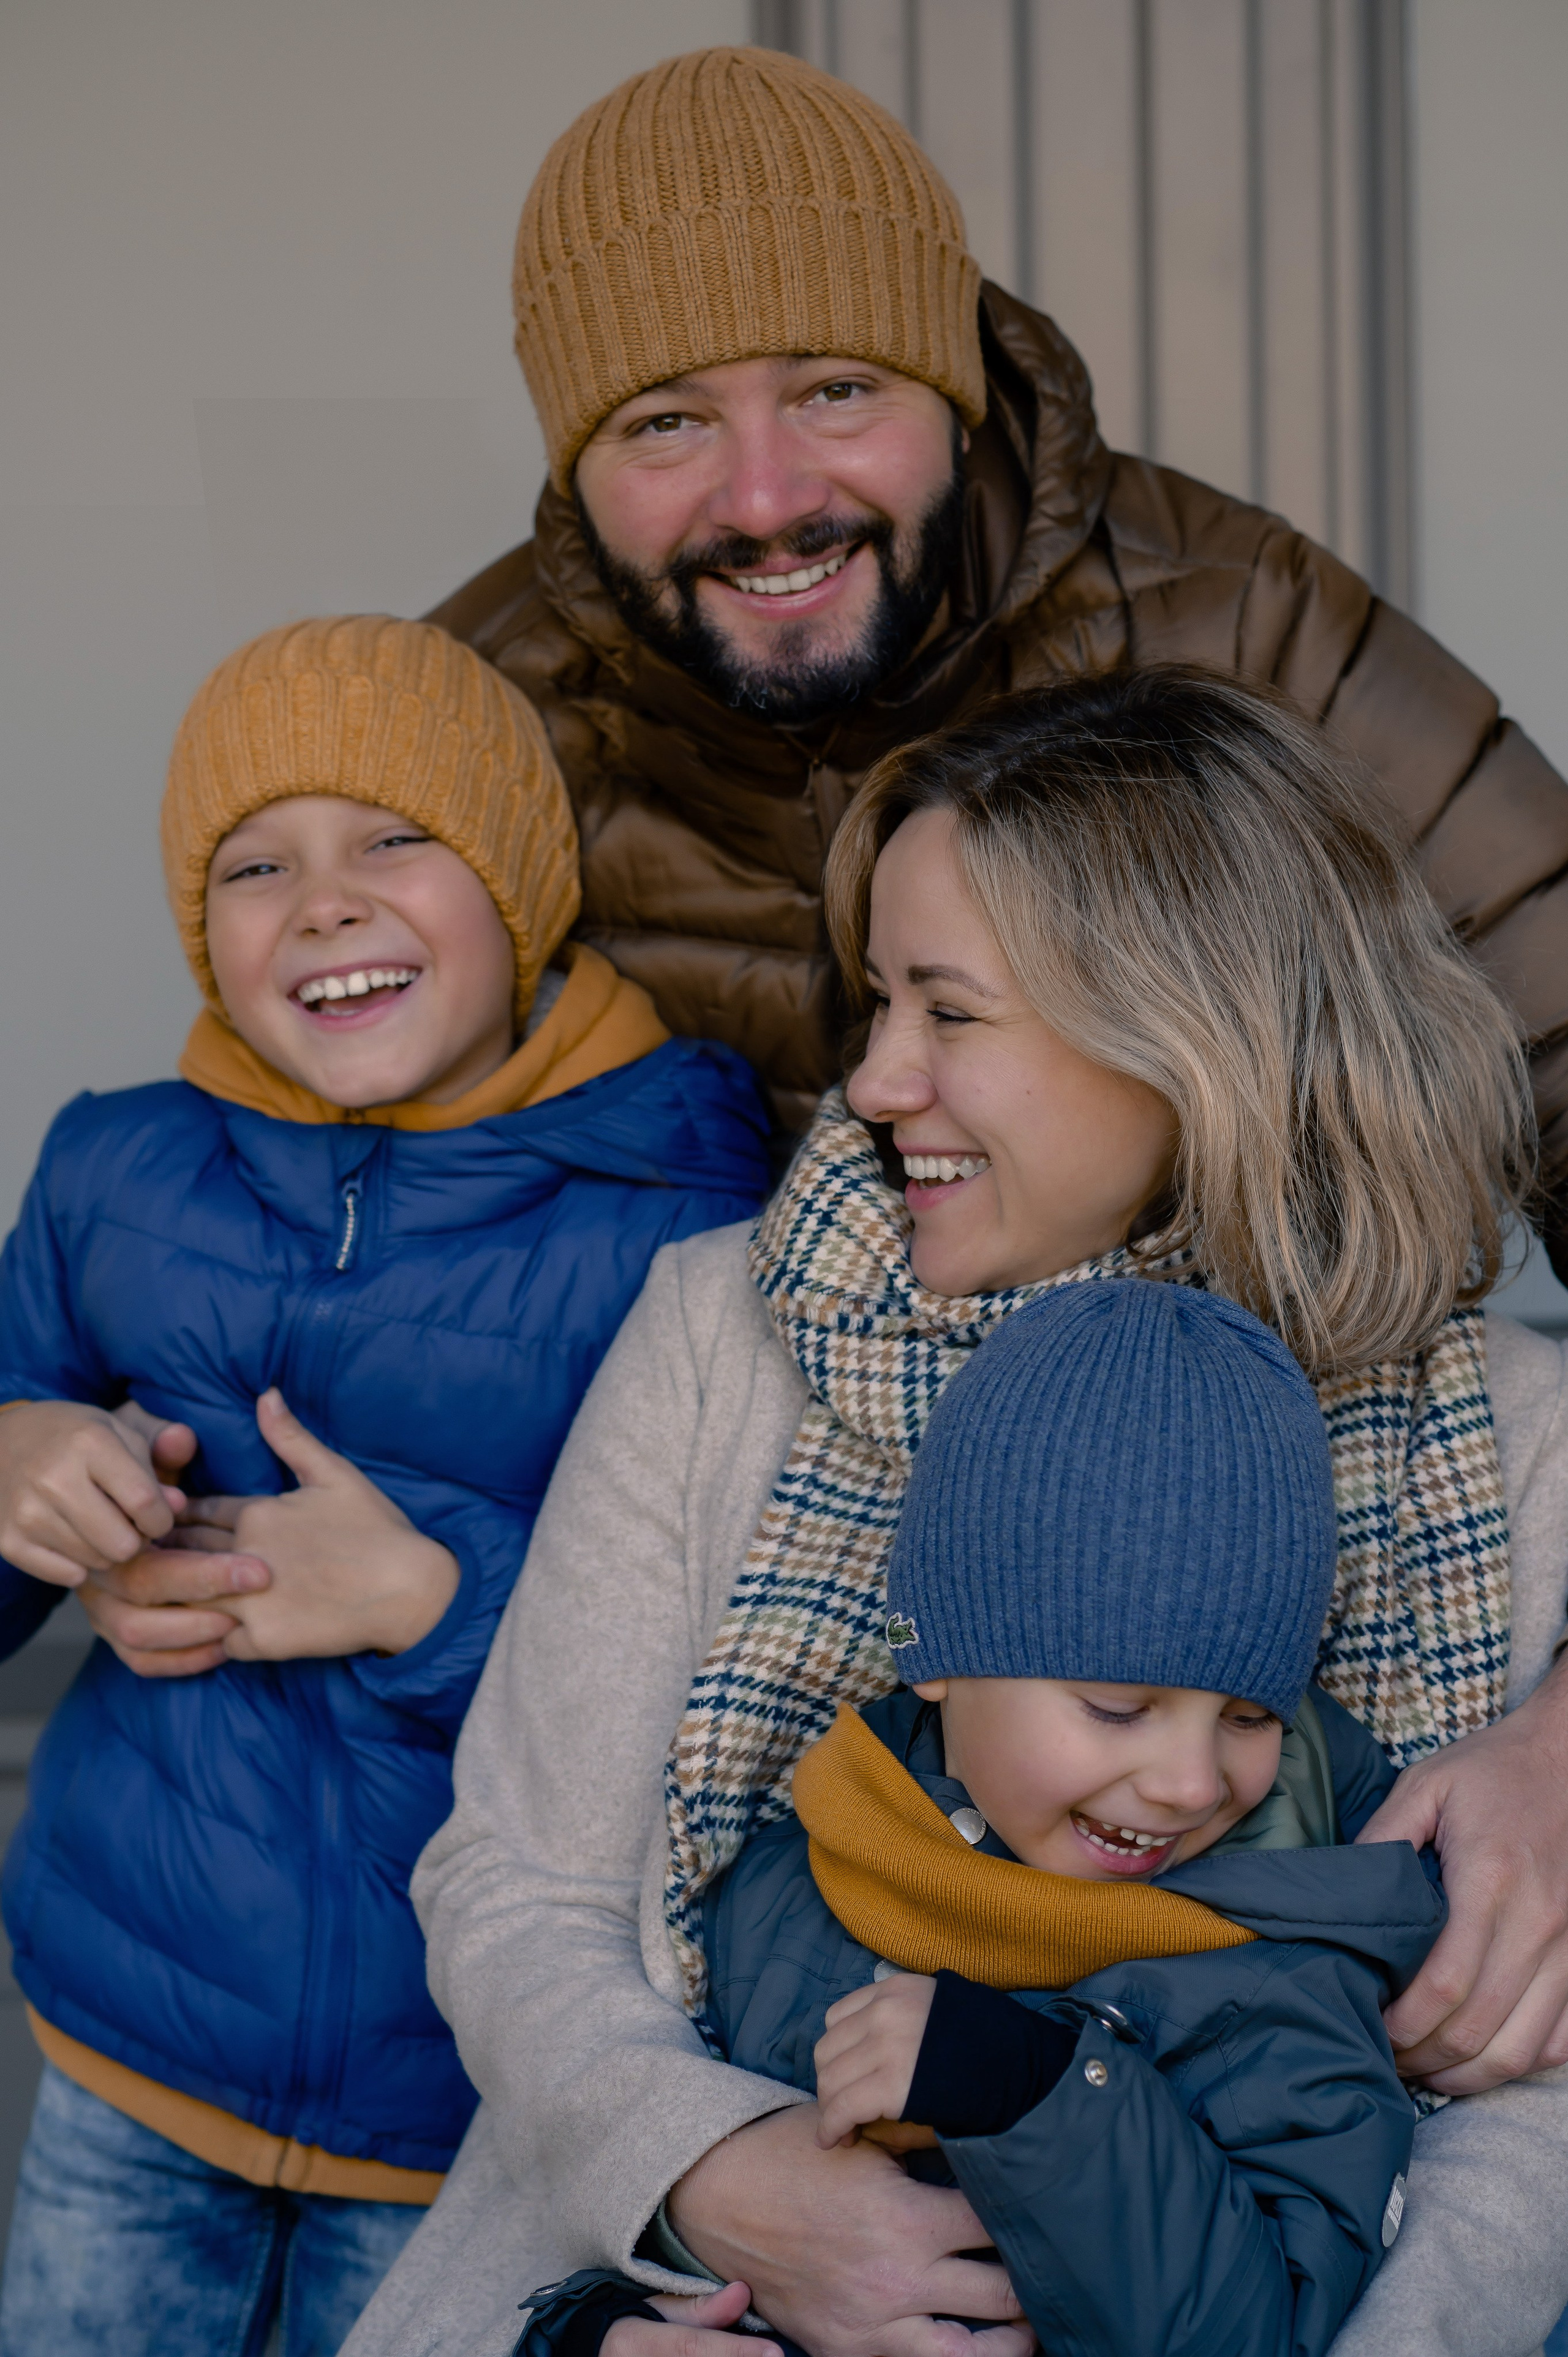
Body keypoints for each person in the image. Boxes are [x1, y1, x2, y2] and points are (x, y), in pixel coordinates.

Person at [340, 671, 1568, 2357]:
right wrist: (719, 2176)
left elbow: (1521, 2086)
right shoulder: (728, 1333)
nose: (873, 1082)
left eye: (949, 1011)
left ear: (1186, 1025)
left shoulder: (1489, 1432)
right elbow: (519, 1887)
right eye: (877, 1003)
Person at [428, 42, 1568, 1280]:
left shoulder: (1236, 623)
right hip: (695, 1433)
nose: (763, 498)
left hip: (1207, 1402)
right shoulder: (470, 713)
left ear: (954, 400)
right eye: (666, 422)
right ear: (572, 469)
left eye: (835, 391)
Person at [0, 614, 769, 2356]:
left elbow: (749, 1672)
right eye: (257, 864)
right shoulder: (114, 1164)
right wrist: (17, 1460)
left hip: (475, 2113)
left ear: (522, 881)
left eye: (395, 839)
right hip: (128, 2040)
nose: (325, 903)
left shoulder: (689, 1217)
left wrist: (435, 1599)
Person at [526, 1278, 1446, 2357]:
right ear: (940, 1661)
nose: (1192, 1784)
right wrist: (601, 2328)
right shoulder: (787, 1885)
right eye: (1118, 1706)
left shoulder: (1287, 1976)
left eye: (1251, 1718)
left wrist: (1041, 2090)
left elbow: (1260, 2332)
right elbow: (733, 2246)